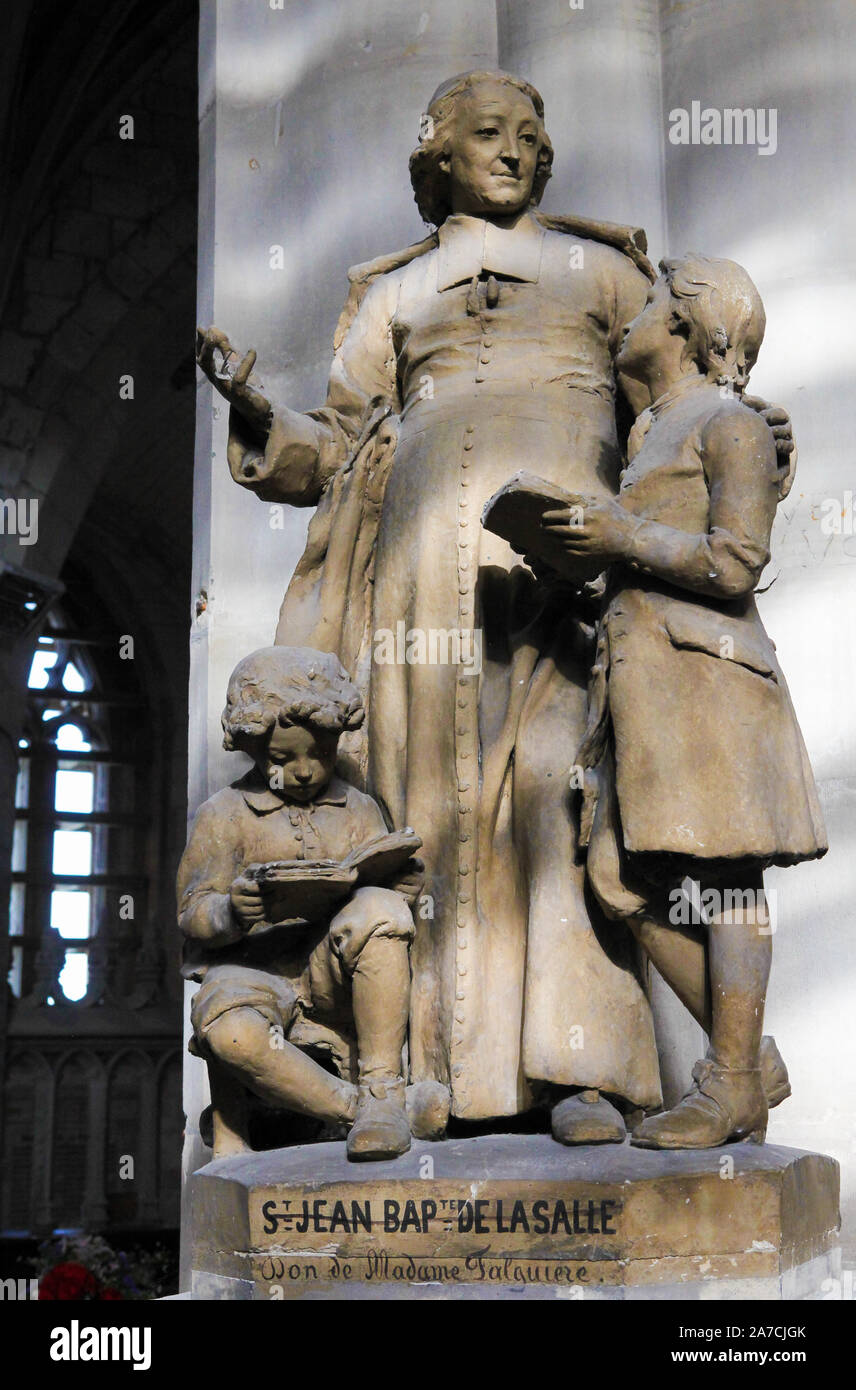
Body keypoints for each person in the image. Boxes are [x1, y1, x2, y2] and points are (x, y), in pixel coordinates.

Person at [195, 70, 795, 1144]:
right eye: (488, 134)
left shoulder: (606, 270)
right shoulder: (390, 290)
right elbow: (333, 446)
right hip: (420, 578)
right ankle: (421, 1070)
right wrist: (254, 410)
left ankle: (581, 1070)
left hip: (563, 578)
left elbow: (680, 402)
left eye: (530, 133)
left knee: (560, 808)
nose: (514, 150)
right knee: (423, 800)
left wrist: (752, 444)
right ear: (437, 152)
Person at [541, 255, 827, 1146]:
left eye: (654, 298)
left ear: (686, 326)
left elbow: (738, 559)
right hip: (647, 687)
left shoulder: (728, 422)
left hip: (712, 683)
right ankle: (746, 1065)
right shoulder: (651, 433)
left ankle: (731, 1081)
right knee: (616, 874)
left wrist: (619, 533)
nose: (635, 314)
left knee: (729, 872)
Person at [177, 646, 418, 1161]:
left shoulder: (357, 807)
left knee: (381, 910)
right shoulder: (225, 813)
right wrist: (229, 912)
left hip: (328, 971)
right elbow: (192, 910)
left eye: (322, 754)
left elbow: (373, 887)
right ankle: (360, 1110)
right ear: (253, 749)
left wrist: (397, 889)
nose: (306, 771)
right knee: (231, 1032)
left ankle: (382, 1086)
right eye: (283, 759)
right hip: (250, 974)